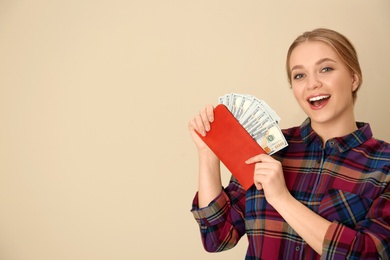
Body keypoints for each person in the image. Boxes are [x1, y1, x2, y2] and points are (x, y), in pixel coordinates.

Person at [188, 28, 390, 259]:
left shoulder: (384, 165)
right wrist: (208, 154)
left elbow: (371, 254)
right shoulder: (267, 148)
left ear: (354, 78)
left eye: (326, 69)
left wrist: (281, 199)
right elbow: (218, 237)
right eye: (299, 75)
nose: (312, 84)